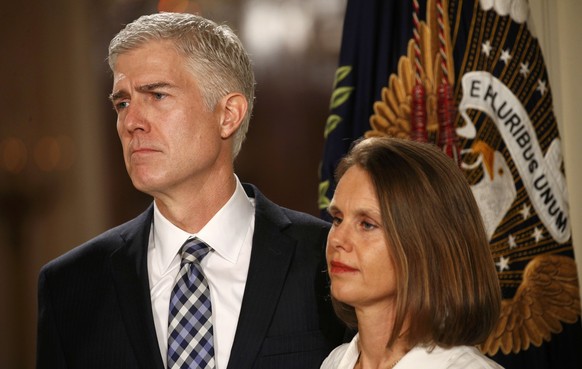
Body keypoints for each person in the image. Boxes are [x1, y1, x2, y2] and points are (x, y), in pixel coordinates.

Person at [36, 12, 344, 369]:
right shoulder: (71, 286)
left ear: (228, 115)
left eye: (157, 95)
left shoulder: (327, 260)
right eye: (122, 102)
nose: (131, 121)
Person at [321, 137, 504, 369]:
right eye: (337, 219)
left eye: (367, 224)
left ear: (426, 245)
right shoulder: (335, 362)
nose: (337, 239)